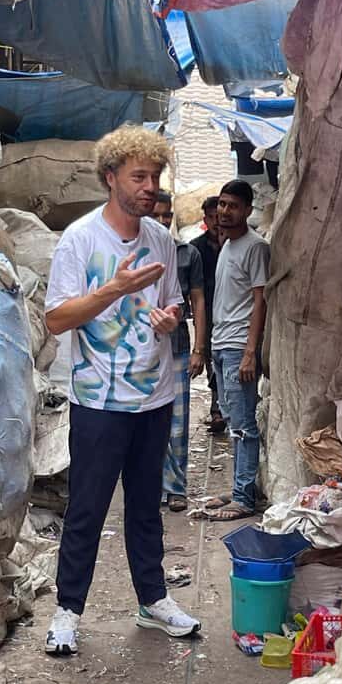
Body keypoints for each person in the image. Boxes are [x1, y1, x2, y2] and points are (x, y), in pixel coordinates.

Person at [43, 126, 201, 655]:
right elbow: (57, 319)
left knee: (145, 508)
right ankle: (67, 611)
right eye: (139, 176)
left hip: (153, 398)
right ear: (110, 178)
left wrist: (167, 318)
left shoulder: (160, 239)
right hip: (98, 401)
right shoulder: (81, 240)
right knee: (87, 507)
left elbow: (172, 303)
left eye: (155, 176)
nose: (150, 186)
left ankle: (153, 601)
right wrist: (114, 287)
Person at [206, 180, 269, 519]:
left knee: (244, 425)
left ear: (247, 210)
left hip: (237, 347)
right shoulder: (228, 246)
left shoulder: (255, 247)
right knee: (233, 422)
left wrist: (250, 351)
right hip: (221, 344)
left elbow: (260, 302)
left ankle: (244, 499)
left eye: (232, 206)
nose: (225, 211)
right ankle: (240, 488)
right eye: (222, 204)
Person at [151, 190, 207, 512]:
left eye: (167, 215)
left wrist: (200, 347)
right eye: (156, 215)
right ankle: (153, 484)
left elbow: (197, 300)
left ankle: (176, 487)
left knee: (178, 420)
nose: (162, 221)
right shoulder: (136, 253)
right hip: (144, 350)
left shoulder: (187, 254)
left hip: (177, 346)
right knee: (150, 419)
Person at [191, 196, 227, 432]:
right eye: (211, 217)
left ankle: (223, 409)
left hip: (233, 315)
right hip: (208, 314)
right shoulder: (196, 248)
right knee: (213, 363)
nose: (217, 222)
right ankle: (218, 410)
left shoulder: (238, 244)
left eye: (219, 217)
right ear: (205, 219)